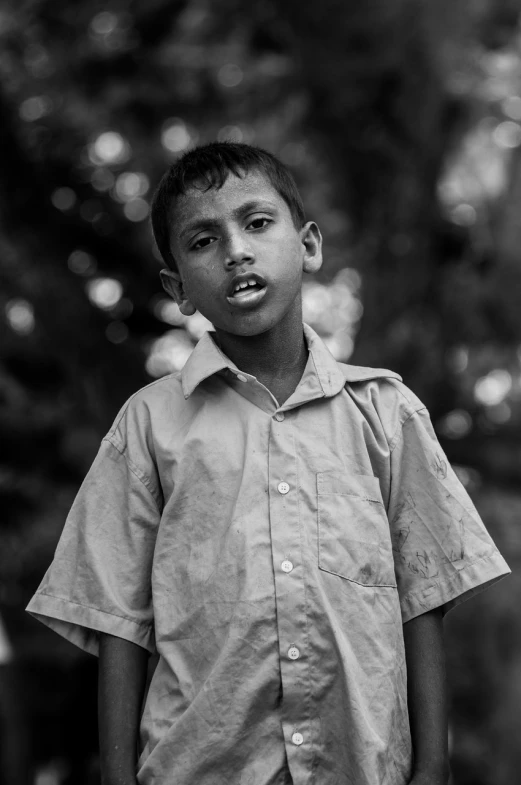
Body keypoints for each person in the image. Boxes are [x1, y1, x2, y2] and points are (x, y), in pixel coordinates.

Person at [27, 142, 510, 785]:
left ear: (307, 245)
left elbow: (424, 598)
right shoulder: (147, 426)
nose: (235, 251)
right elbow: (119, 622)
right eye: (203, 241)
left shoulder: (387, 413)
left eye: (256, 223)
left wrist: (433, 766)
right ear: (179, 290)